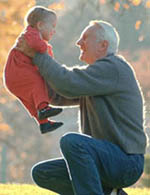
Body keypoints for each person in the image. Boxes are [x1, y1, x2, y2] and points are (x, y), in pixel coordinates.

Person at [16, 20, 147, 195]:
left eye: (85, 38)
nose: (78, 43)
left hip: (125, 162)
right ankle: (111, 193)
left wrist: (37, 54)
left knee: (72, 142)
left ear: (103, 45)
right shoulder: (98, 77)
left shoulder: (114, 69)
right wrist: (27, 80)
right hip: (103, 160)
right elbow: (58, 93)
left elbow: (67, 83)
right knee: (43, 173)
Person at [3, 6, 63, 134]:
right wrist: (46, 48)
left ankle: (44, 123)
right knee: (38, 83)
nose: (54, 31)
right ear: (40, 25)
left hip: (13, 78)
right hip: (18, 72)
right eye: (52, 26)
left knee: (32, 100)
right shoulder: (31, 33)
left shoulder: (33, 35)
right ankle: (44, 109)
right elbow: (39, 47)